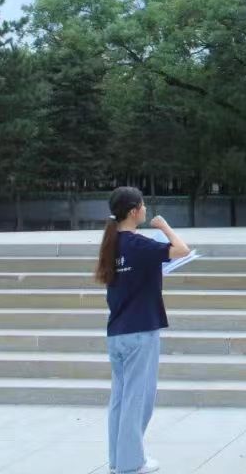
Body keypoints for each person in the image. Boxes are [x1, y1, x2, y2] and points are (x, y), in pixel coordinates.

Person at [95, 186, 191, 474]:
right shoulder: (138, 244)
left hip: (118, 332)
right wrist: (164, 226)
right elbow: (182, 250)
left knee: (120, 399)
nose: (146, 210)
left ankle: (118, 460)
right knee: (137, 400)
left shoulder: (112, 244)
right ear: (134, 211)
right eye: (143, 206)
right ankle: (131, 463)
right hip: (140, 331)